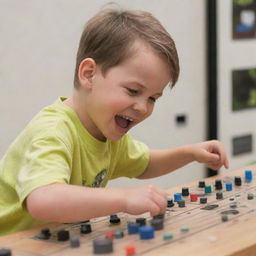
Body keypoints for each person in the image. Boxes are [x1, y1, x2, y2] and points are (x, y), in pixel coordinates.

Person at [0, 6, 228, 236]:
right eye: (132, 91)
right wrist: (125, 198)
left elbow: (145, 163)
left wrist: (190, 153)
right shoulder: (53, 130)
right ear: (89, 74)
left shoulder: (107, 132)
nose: (142, 107)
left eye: (153, 98)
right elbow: (43, 199)